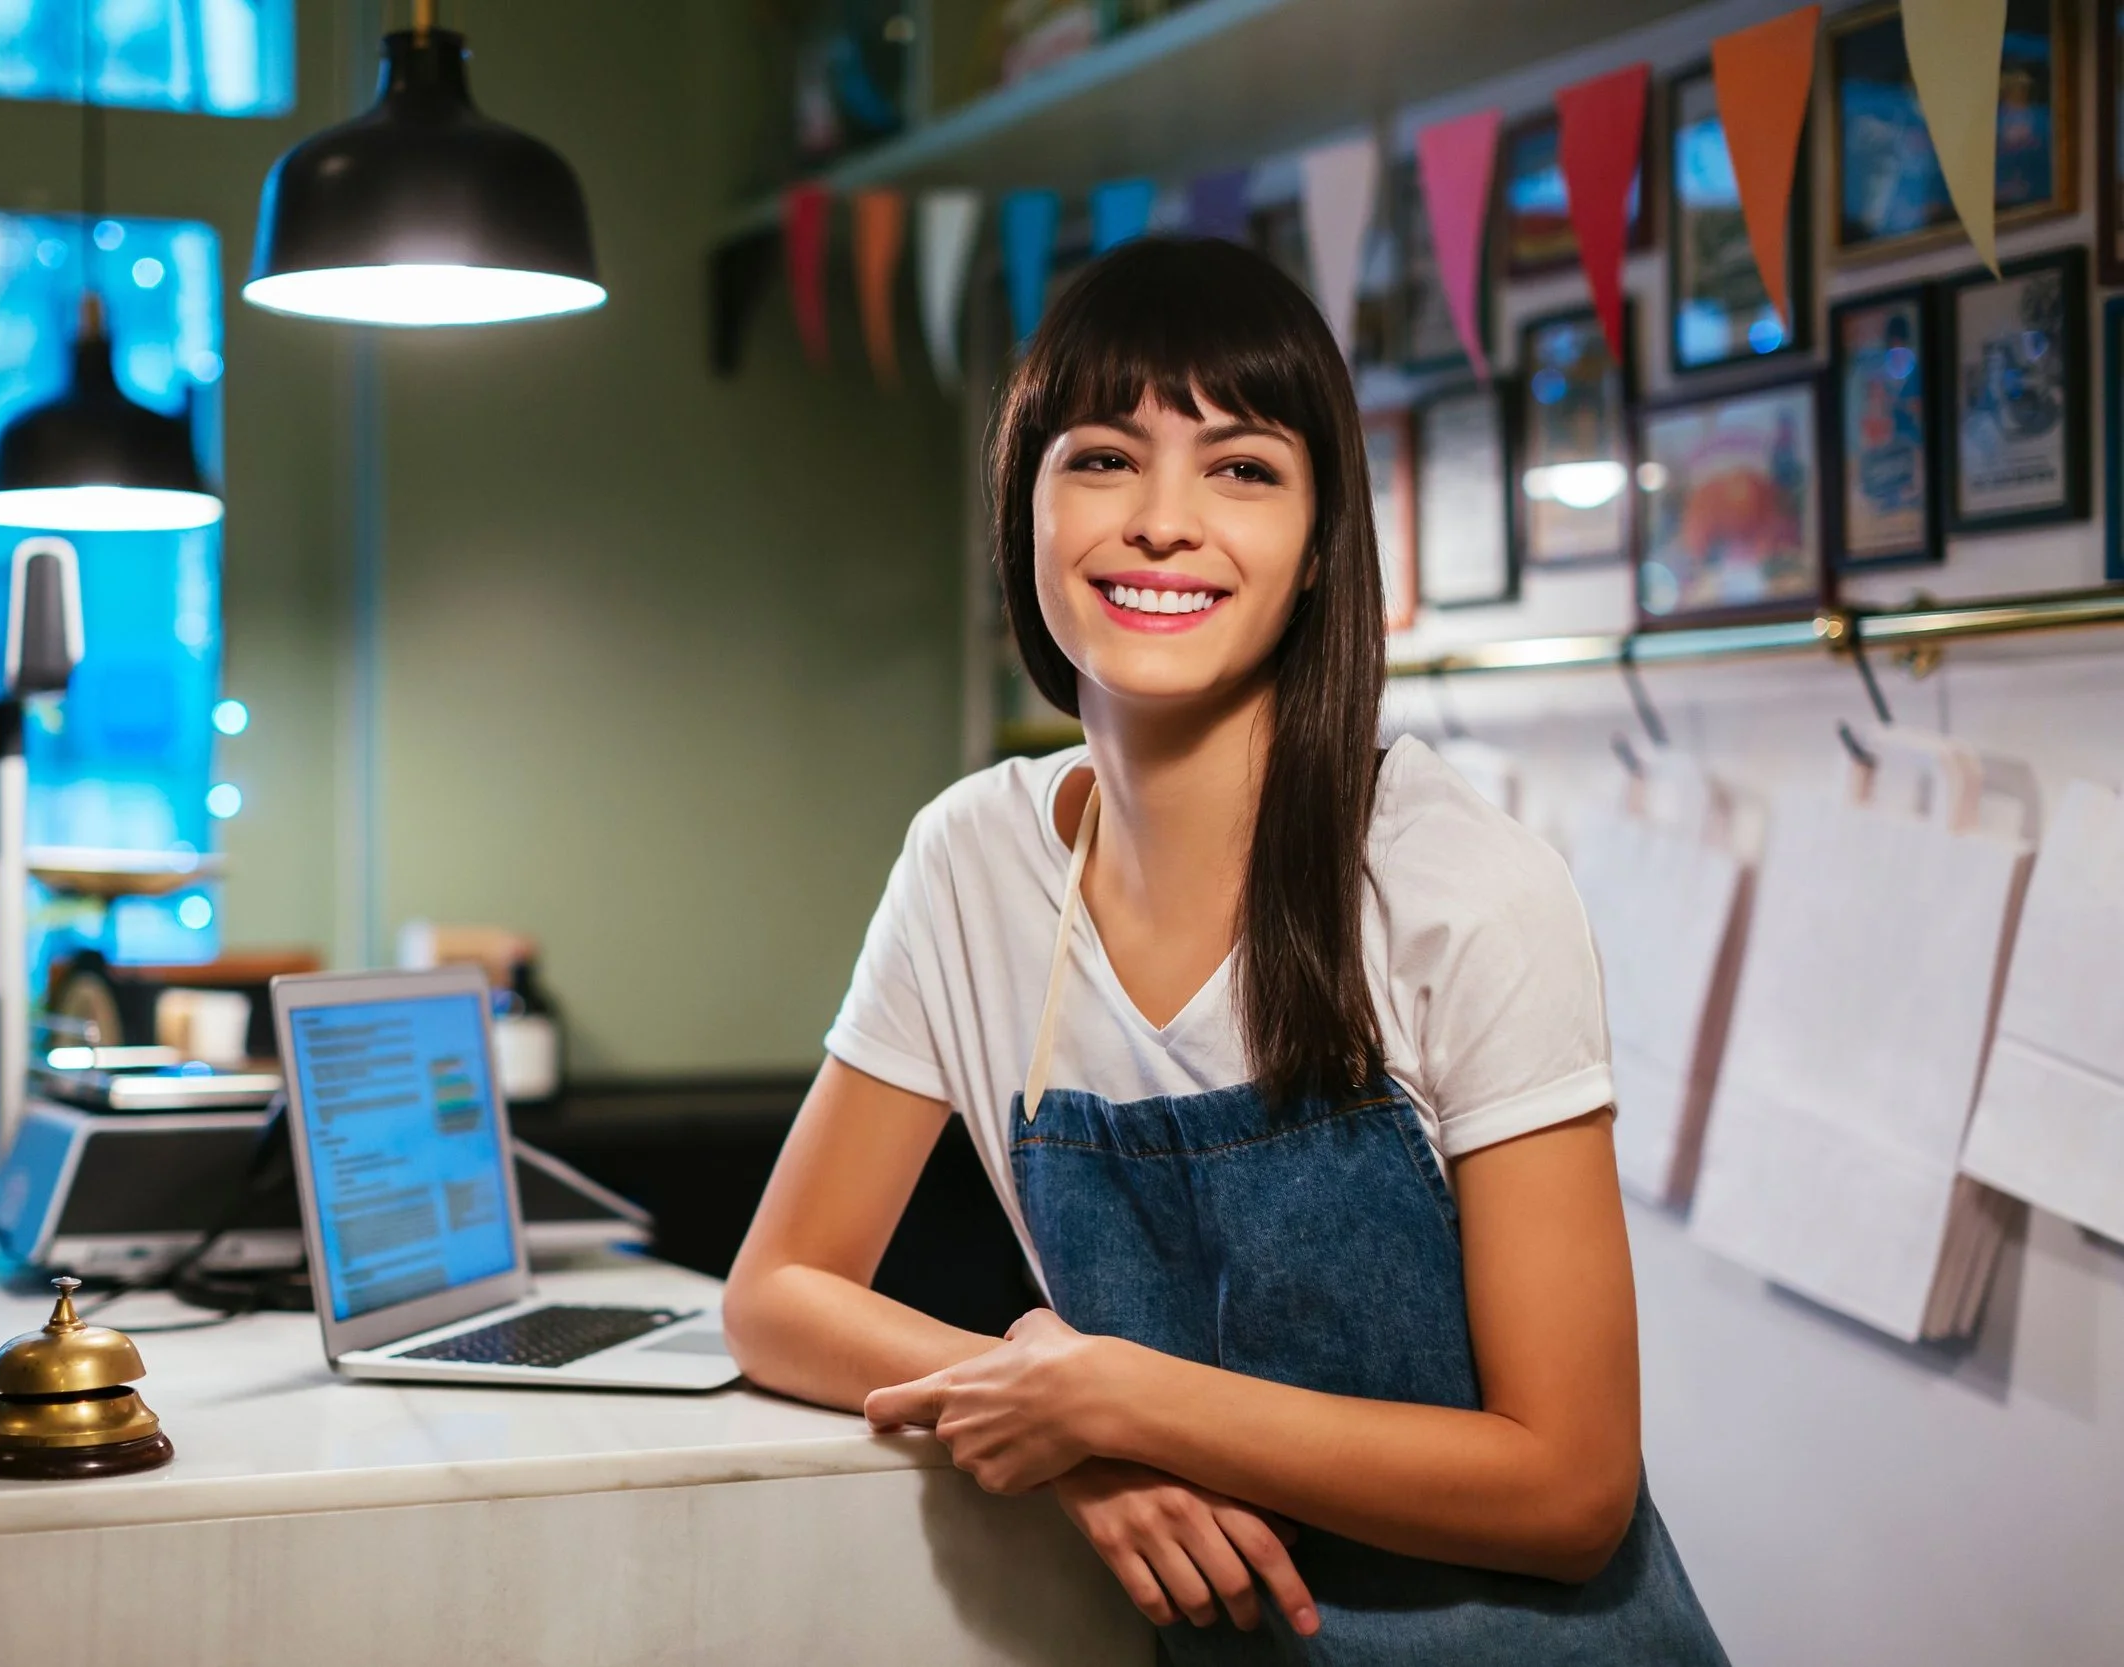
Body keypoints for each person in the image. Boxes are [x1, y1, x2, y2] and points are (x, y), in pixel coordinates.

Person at [722, 237, 1727, 1663]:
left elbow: (1570, 1485)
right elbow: (775, 1296)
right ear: (1025, 509)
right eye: (1104, 459)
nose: (1163, 521)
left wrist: (1117, 1398)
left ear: (1319, 545)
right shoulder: (968, 864)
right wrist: (1052, 1417)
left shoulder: (1461, 887)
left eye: (1242, 467)